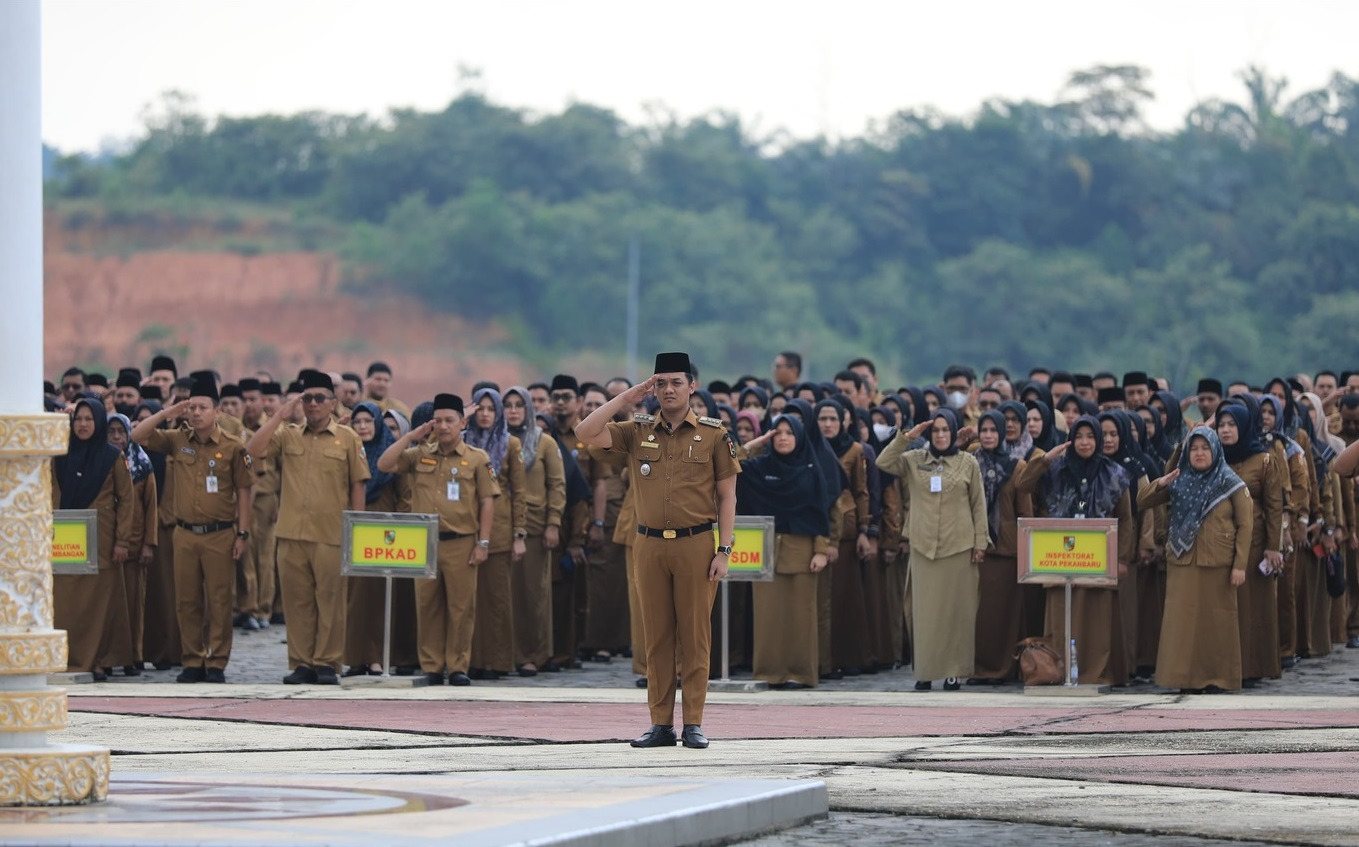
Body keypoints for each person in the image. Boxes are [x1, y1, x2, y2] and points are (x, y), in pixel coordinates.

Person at [575, 352, 739, 750]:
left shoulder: (714, 435)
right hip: (648, 543)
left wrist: (724, 550)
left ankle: (694, 722)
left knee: (695, 637)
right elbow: (585, 430)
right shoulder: (638, 430)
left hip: (696, 544)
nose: (668, 390)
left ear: (692, 387)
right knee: (657, 638)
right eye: (661, 383)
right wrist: (627, 398)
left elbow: (727, 495)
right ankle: (661, 724)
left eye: (676, 383)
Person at [246, 370, 369, 685]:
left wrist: (355, 530)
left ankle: (327, 662)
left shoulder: (348, 439)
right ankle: (302, 663)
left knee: (330, 602)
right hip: (291, 533)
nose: (313, 405)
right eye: (307, 398)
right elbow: (253, 449)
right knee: (297, 603)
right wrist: (280, 414)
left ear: (332, 403)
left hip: (330, 535)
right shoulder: (288, 435)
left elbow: (358, 485)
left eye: (319, 399)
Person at [132, 376, 253, 683]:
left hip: (220, 534)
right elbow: (137, 435)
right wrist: (167, 413)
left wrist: (242, 534)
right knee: (186, 601)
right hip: (184, 534)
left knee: (219, 600)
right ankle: (192, 660)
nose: (196, 413)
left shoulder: (233, 446)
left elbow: (244, 492)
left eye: (203, 407)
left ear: (218, 411)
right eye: (192, 407)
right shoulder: (177, 439)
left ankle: (216, 662)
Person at [378, 393, 498, 686]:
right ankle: (432, 666)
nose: (444, 426)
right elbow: (384, 464)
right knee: (428, 606)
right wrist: (413, 436)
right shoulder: (420, 454)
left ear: (462, 423)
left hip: (462, 542)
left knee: (461, 608)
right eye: (439, 420)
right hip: (426, 542)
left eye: (450, 420)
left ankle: (458, 666)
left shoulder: (476, 458)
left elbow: (487, 502)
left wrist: (483, 543)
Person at [1014, 415, 1136, 685]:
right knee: (1062, 618)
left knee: (1096, 622)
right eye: (1078, 437)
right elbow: (1022, 484)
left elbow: (1125, 518)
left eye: (1090, 437)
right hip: (1059, 558)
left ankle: (1095, 674)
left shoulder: (1113, 474)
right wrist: (1045, 459)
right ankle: (1059, 672)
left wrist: (1122, 558)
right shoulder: (1055, 470)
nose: (1084, 442)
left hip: (1098, 559)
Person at [877, 410, 988, 691]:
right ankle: (925, 672)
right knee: (922, 613)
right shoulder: (915, 460)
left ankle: (953, 671)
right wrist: (907, 438)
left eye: (945, 430)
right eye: (935, 430)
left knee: (956, 612)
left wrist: (980, 542)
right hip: (923, 547)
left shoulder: (968, 463)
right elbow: (883, 462)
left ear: (953, 432)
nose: (940, 435)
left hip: (959, 548)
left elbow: (978, 504)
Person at [1140, 428, 1251, 692]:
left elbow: (1245, 525)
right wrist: (1161, 483)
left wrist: (1239, 565)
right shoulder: (1179, 480)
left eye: (1205, 448)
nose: (1199, 453)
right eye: (1194, 448)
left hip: (1218, 563)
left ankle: (1218, 678)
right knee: (1182, 624)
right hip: (1182, 560)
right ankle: (1182, 678)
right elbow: (1142, 501)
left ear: (1215, 450)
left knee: (1217, 622)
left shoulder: (1230, 482)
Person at [738, 415, 830, 688]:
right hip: (763, 545)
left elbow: (821, 511)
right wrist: (753, 444)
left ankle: (799, 674)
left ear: (800, 437)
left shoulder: (810, 469)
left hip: (801, 548)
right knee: (767, 615)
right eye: (778, 433)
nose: (783, 438)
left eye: (790, 433)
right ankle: (769, 673)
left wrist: (821, 550)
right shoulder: (759, 467)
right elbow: (730, 466)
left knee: (801, 615)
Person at [52, 398, 135, 680]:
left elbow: (126, 501)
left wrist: (123, 540)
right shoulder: (60, 454)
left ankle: (97, 659)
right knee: (66, 602)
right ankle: (68, 657)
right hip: (65, 541)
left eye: (89, 419)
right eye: (78, 419)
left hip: (102, 542)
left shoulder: (112, 456)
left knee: (98, 605)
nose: (83, 425)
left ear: (98, 422)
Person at [1214, 403, 1285, 685]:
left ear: (1243, 427)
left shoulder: (1264, 460)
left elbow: (1274, 506)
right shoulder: (1212, 457)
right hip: (1221, 541)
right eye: (1221, 425)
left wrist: (1273, 546)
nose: (1226, 430)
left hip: (1255, 542)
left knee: (1253, 607)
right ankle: (1223, 665)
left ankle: (1253, 667)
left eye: (1232, 425)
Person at [465, 388, 528, 680]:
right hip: (467, 525)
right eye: (481, 408)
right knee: (470, 598)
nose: (486, 414)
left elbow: (519, 491)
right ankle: (471, 660)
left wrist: (519, 534)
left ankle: (497, 661)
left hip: (501, 528)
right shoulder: (463, 441)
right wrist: (460, 420)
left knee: (497, 599)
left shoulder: (510, 443)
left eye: (491, 408)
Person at [504, 386, 566, 676]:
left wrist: (553, 523)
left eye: (519, 405)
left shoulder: (545, 443)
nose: (513, 410)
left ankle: (533, 654)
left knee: (532, 594)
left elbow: (557, 486)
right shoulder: (492, 442)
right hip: (499, 525)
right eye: (508, 405)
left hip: (535, 526)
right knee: (503, 594)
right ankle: (503, 654)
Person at [342, 400, 407, 676]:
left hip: (384, 533)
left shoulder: (390, 455)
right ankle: (355, 657)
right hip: (352, 529)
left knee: (381, 596)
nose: (363, 426)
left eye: (368, 421)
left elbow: (404, 497)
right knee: (355, 597)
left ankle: (378, 657)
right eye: (357, 422)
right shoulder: (346, 453)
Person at [969, 409, 1030, 683]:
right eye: (984, 430)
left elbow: (1025, 513)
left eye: (994, 430)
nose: (989, 435)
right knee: (978, 616)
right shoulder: (970, 462)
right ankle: (976, 668)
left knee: (1004, 615)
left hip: (1006, 551)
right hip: (975, 548)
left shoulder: (1017, 466)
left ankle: (1002, 669)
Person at [107, 413, 158, 676]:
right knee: (108, 605)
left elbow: (151, 507)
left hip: (136, 547)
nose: (116, 437)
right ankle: (107, 655)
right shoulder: (100, 462)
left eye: (121, 432)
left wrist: (149, 543)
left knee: (134, 604)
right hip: (106, 545)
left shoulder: (142, 464)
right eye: (111, 432)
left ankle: (133, 655)